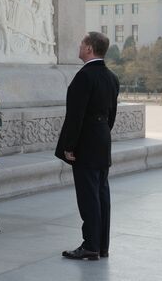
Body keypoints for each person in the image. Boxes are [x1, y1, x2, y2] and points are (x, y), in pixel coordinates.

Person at [55, 31, 119, 260]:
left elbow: (76, 116)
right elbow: (111, 115)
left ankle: (90, 245)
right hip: (102, 139)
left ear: (90, 48)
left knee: (88, 196)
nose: (79, 46)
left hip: (86, 143)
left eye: (82, 43)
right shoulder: (111, 77)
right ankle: (101, 245)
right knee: (102, 194)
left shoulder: (84, 77)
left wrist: (69, 145)